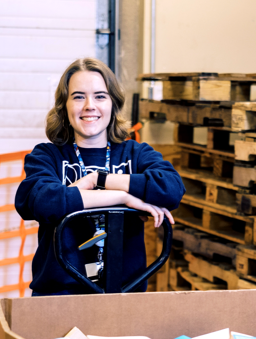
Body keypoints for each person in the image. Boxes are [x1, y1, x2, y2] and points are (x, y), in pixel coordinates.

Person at [16, 58, 181, 295]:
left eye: (100, 96)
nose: (89, 105)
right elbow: (43, 202)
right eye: (78, 96)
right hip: (58, 297)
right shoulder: (47, 156)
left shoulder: (136, 153)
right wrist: (123, 198)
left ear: (113, 104)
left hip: (125, 296)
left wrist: (98, 180)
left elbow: (170, 189)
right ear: (64, 105)